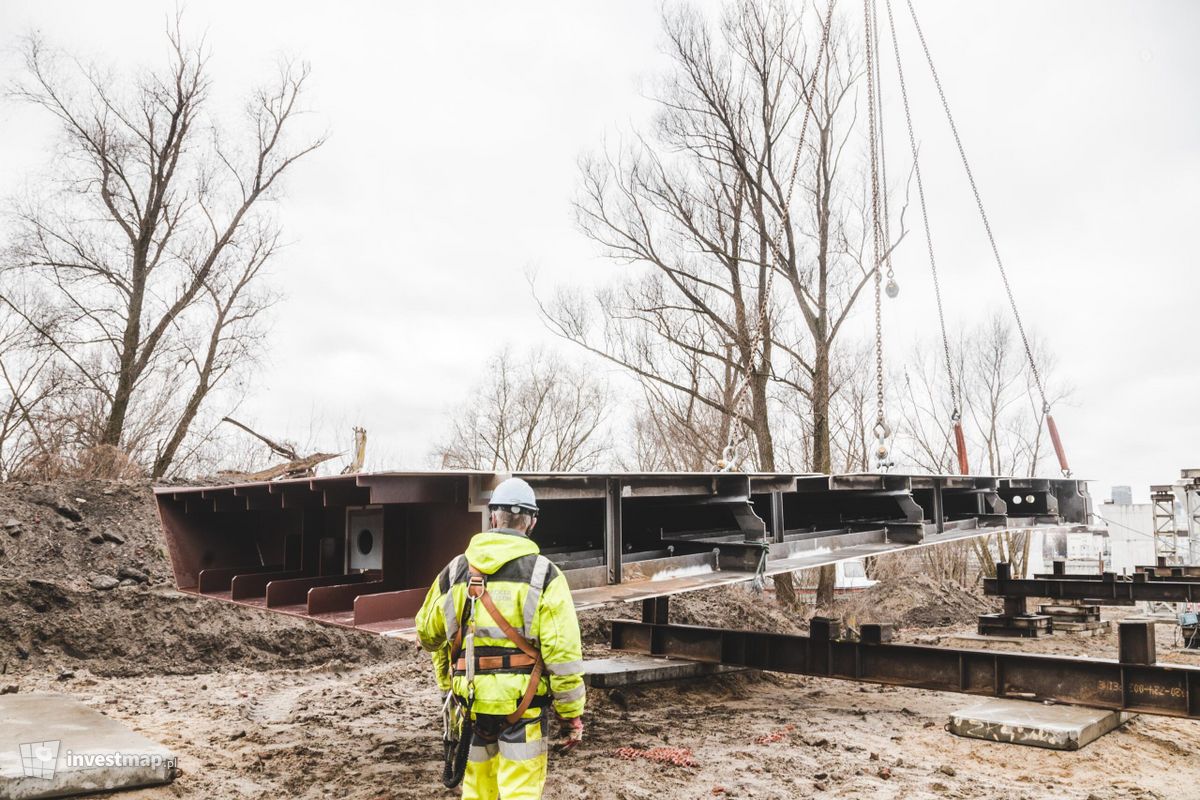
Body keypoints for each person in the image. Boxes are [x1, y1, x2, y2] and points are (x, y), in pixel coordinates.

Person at [416, 477, 585, 800]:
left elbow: (427, 634)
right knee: (519, 792)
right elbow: (563, 657)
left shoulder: (455, 572)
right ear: (532, 522)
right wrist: (571, 715)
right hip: (524, 708)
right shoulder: (544, 575)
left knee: (479, 792)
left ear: (493, 517)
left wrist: (446, 684)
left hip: (473, 708)